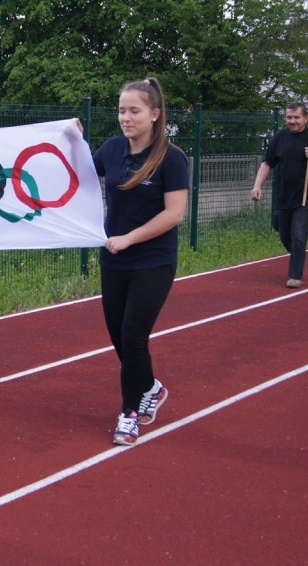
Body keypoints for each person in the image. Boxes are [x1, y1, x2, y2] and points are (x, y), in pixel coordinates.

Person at [91, 77, 189, 446]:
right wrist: (67, 138)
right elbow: (76, 176)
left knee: (133, 337)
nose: (126, 118)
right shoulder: (112, 150)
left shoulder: (171, 158)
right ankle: (151, 387)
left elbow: (174, 214)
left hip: (152, 260)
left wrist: (129, 238)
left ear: (154, 114)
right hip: (113, 259)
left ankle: (129, 413)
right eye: (121, 110)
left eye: (134, 110)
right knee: (120, 339)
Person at [251, 102, 308, 289]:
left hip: (305, 196)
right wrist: (257, 186)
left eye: (296, 117)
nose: (292, 121)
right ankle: (299, 254)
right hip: (283, 196)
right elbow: (267, 163)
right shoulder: (280, 138)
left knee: (298, 235)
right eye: (289, 117)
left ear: (306, 118)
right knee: (284, 235)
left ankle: (295, 275)